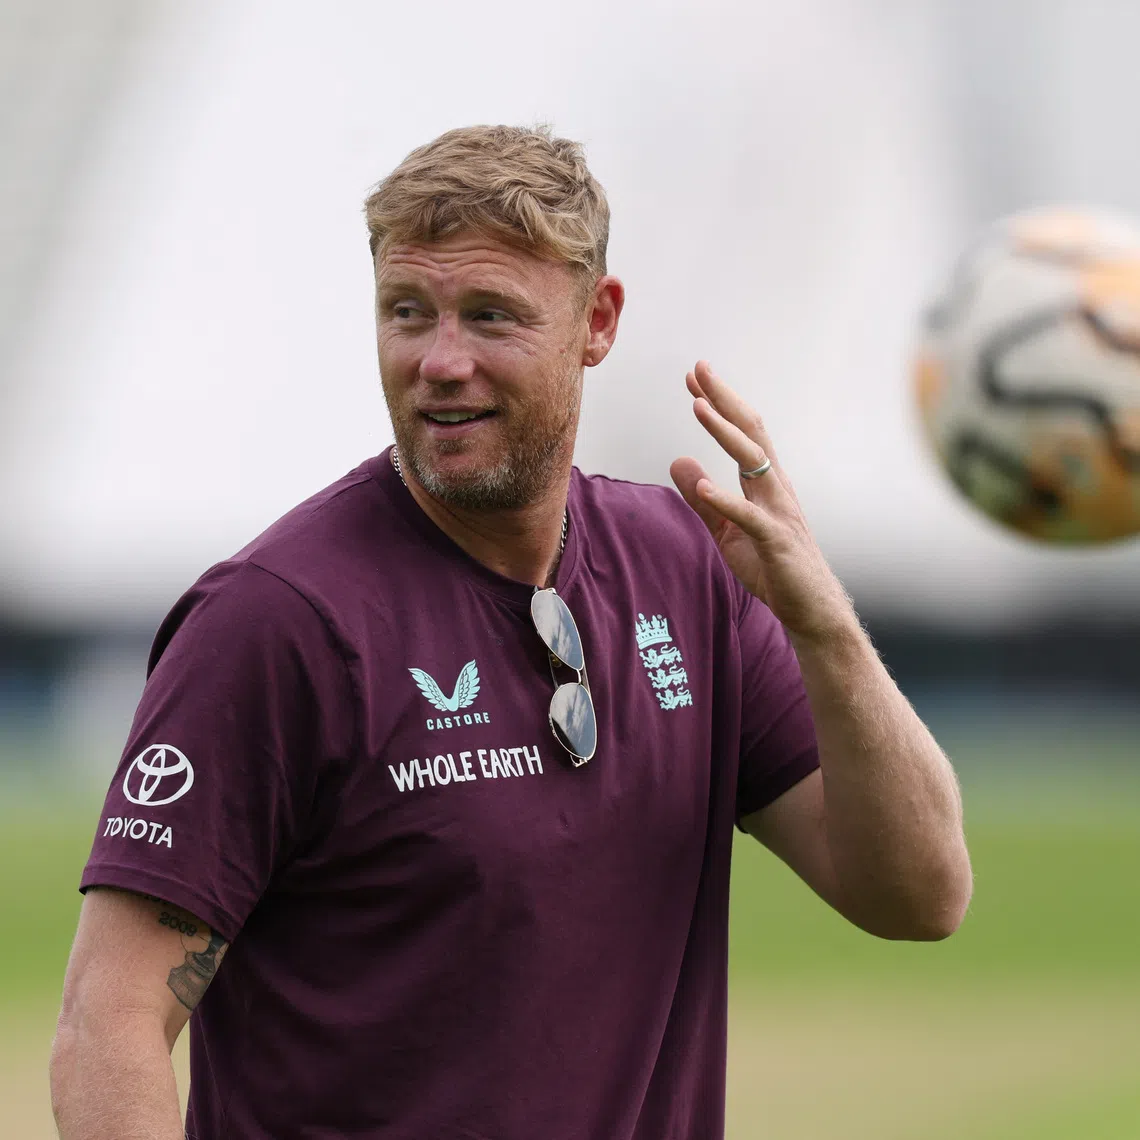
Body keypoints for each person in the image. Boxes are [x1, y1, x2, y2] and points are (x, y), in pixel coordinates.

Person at [50, 124, 972, 1140]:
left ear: (598, 320)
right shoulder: (278, 622)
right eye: (408, 314)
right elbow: (111, 1022)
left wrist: (823, 625)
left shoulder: (689, 571)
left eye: (490, 317)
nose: (440, 362)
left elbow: (918, 893)